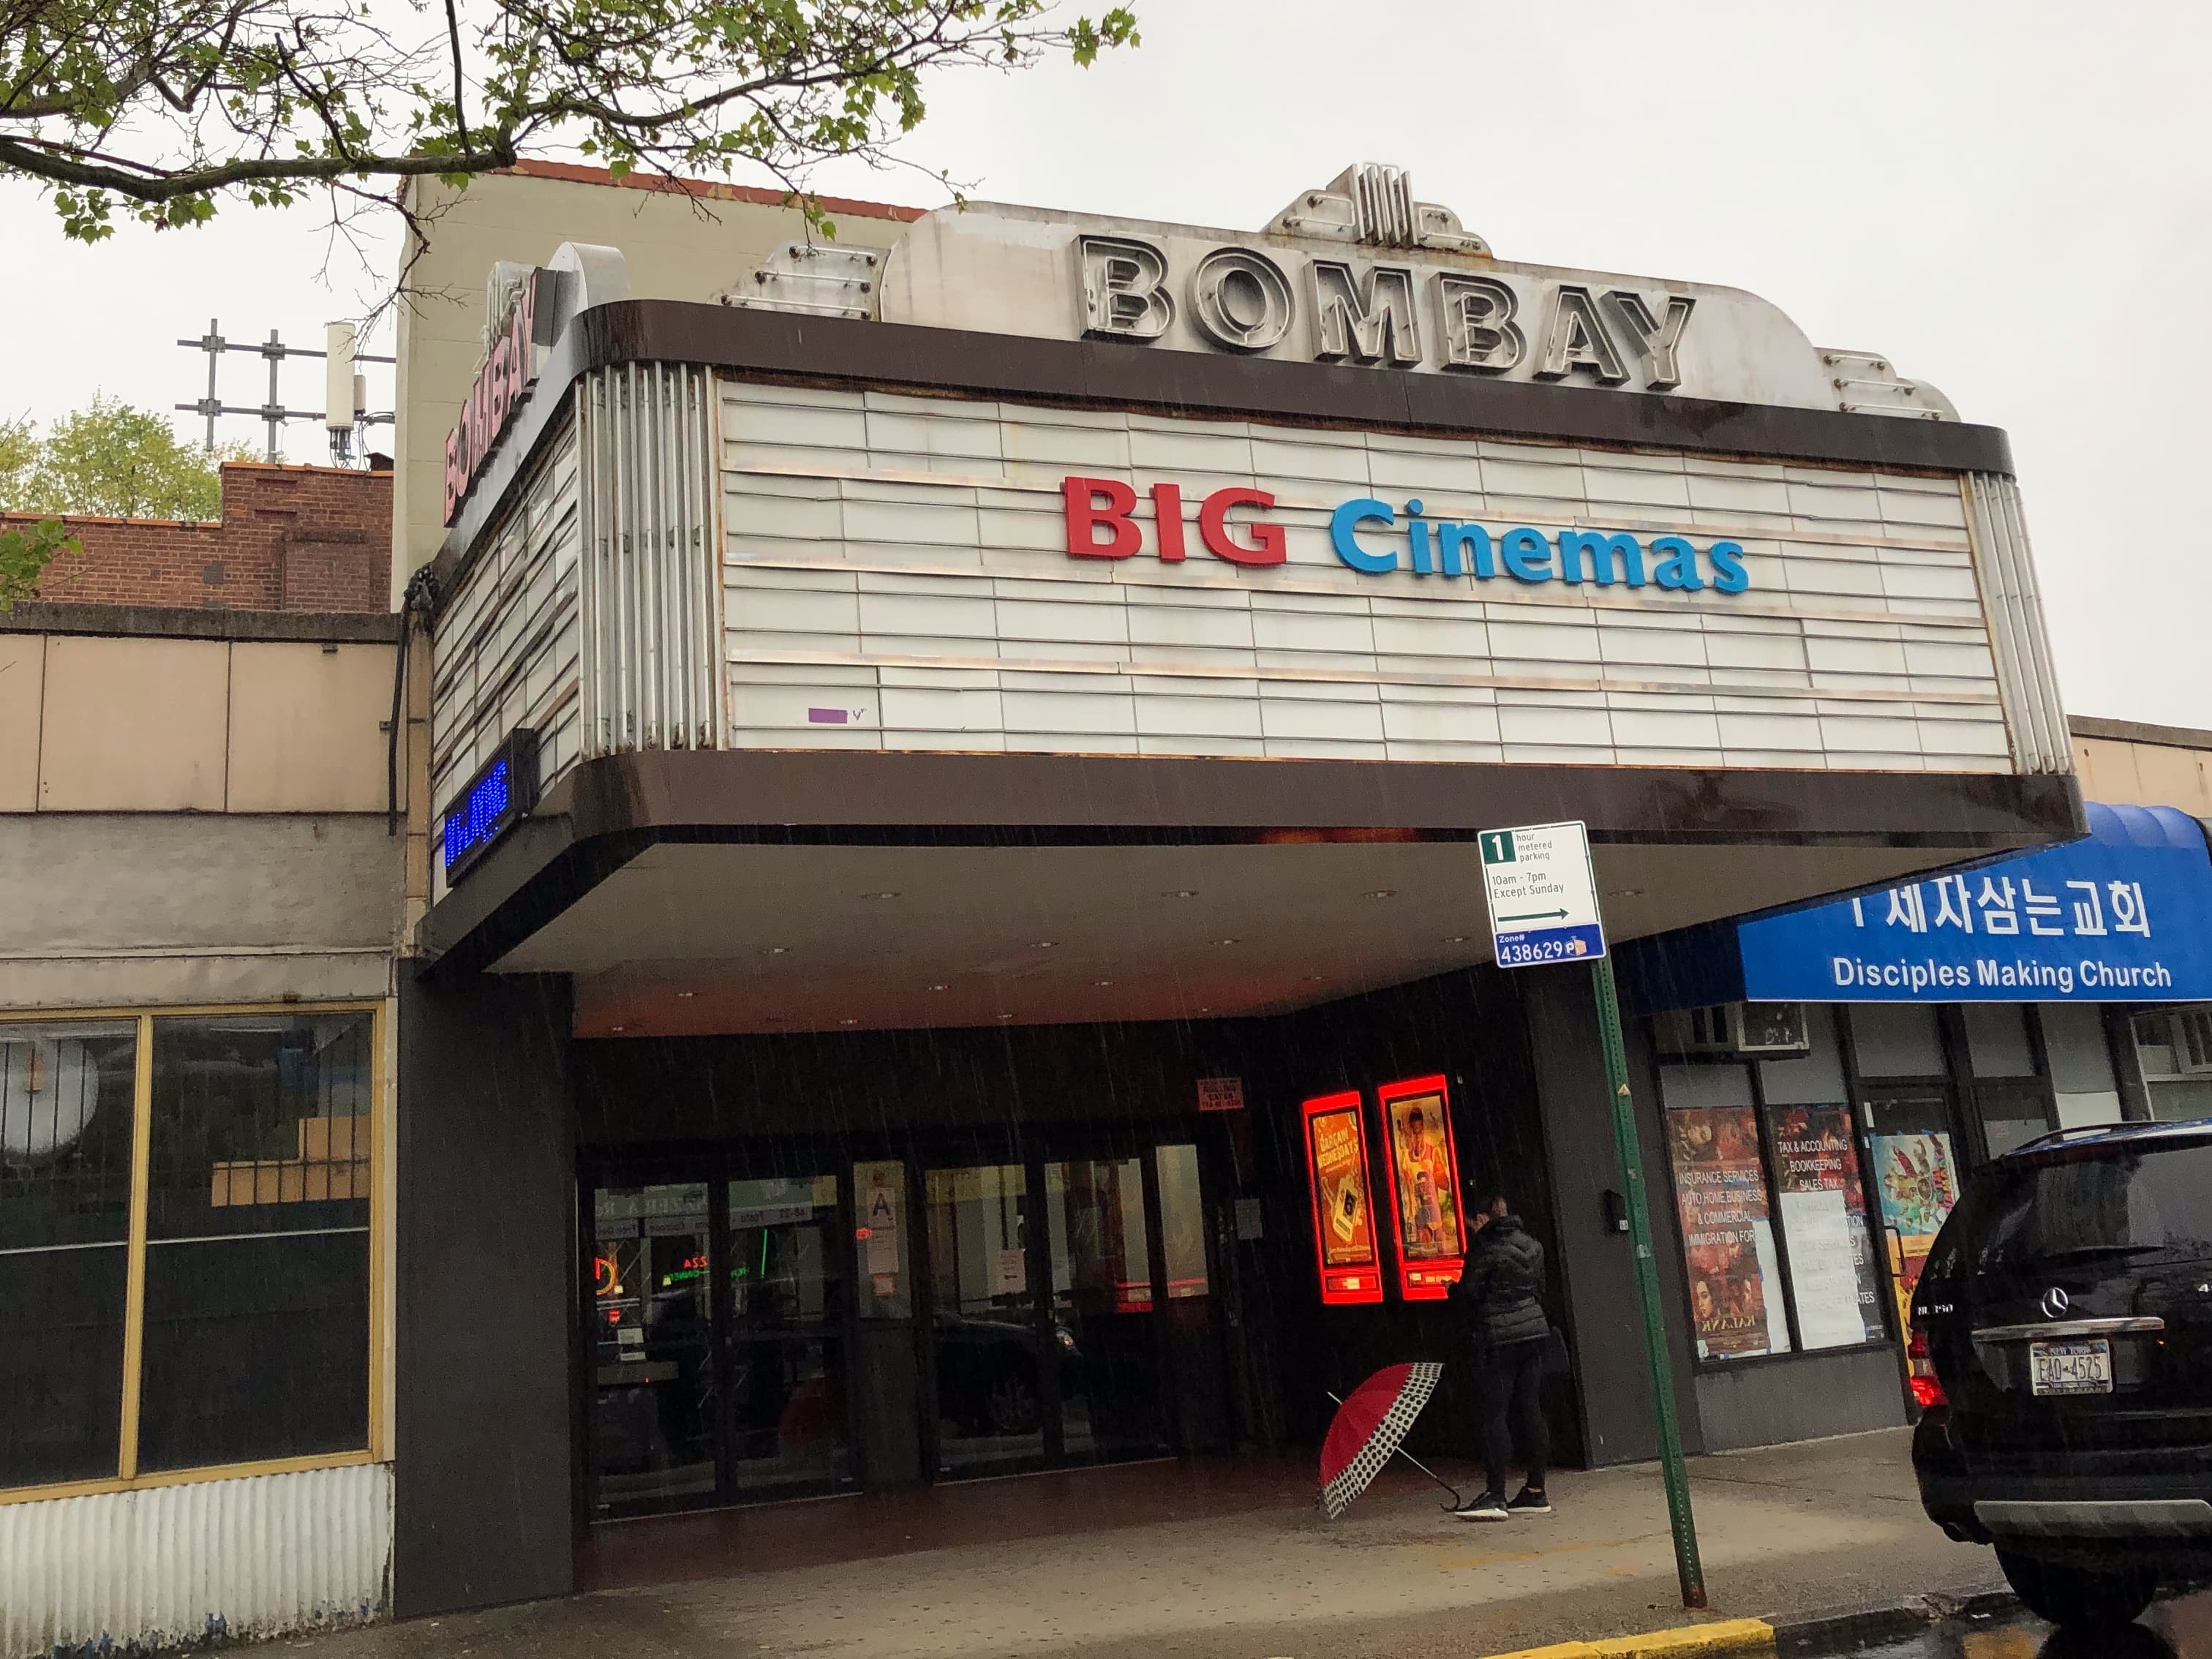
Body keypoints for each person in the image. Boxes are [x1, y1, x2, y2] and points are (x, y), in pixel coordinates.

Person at [1447, 1193, 1551, 1521]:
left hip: (1498, 1338)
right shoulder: (1533, 1245)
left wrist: (1451, 1288)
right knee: (1531, 1408)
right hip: (1535, 1333)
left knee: (1495, 1414)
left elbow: (1470, 1294)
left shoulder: (1485, 1248)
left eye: (1470, 1223)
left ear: (1482, 1219)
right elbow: (1540, 1288)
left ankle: (1496, 1495)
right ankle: (1536, 1490)